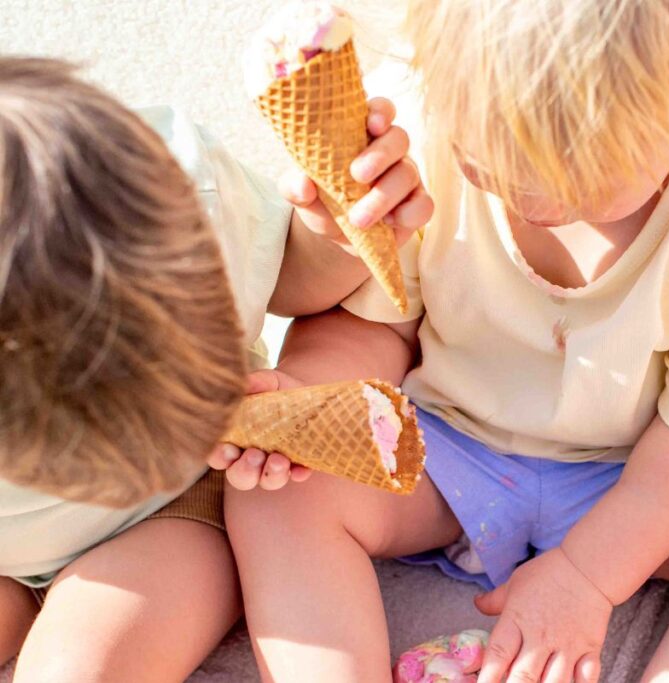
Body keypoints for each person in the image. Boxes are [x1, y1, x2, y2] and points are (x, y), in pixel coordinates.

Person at [217, 1, 669, 680]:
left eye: (579, 182)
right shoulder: (420, 131)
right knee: (280, 487)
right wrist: (321, 404)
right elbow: (373, 322)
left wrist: (590, 574)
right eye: (487, 161)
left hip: (639, 472)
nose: (534, 203)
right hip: (440, 443)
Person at [0, 56, 429, 681]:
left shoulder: (179, 195)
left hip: (171, 507)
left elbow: (287, 278)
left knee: (79, 669)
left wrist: (337, 233)